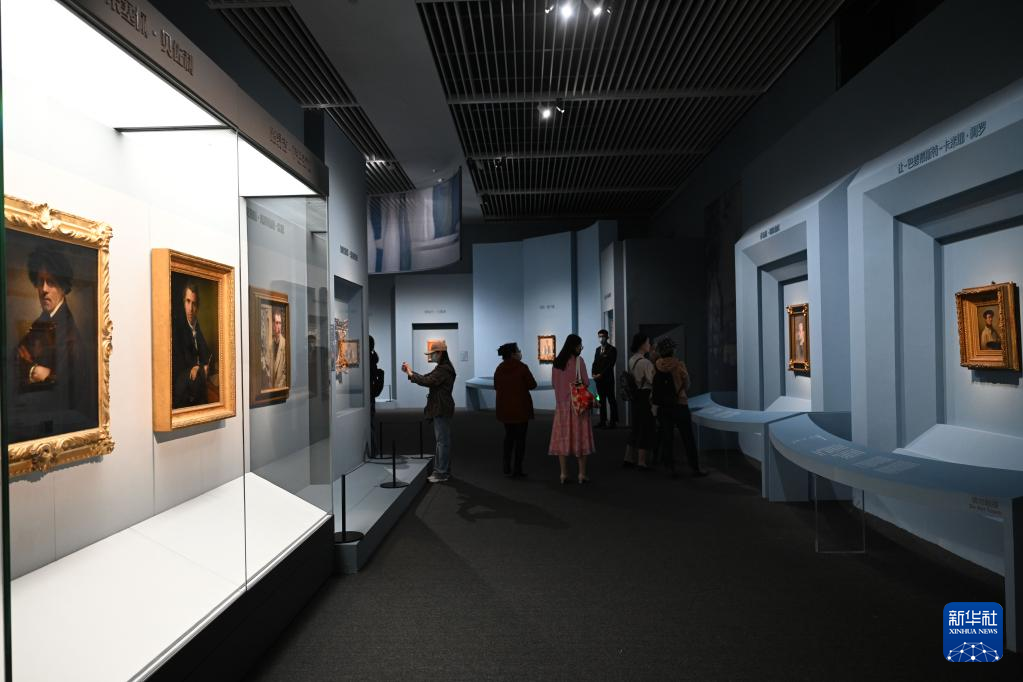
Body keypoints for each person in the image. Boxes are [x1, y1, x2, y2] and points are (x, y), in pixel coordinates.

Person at [11, 244, 96, 442]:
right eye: (40, 282)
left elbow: (59, 387)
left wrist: (32, 369)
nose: (44, 289)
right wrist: (35, 370)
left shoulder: (68, 333)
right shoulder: (43, 321)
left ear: (63, 287)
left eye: (51, 282)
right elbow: (15, 357)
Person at [402, 341, 456, 482]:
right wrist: (410, 372)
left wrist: (410, 373)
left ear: (440, 353)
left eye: (433, 354)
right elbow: (426, 378)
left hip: (441, 407)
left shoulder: (444, 370)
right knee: (442, 441)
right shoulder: (442, 368)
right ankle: (443, 471)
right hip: (441, 407)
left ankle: (441, 473)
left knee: (442, 442)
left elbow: (427, 381)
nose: (431, 356)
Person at [652, 337, 706, 478]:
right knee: (688, 437)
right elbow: (687, 384)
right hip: (680, 404)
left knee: (667, 437)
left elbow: (653, 385)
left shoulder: (657, 365)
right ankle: (695, 467)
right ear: (673, 350)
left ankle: (670, 468)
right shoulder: (679, 364)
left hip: (663, 407)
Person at [549, 334, 595, 484]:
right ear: (575, 346)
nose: (581, 348)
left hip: (561, 407)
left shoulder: (557, 362)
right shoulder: (578, 361)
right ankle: (581, 474)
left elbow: (554, 383)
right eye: (579, 345)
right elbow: (586, 381)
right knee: (581, 439)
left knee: (562, 439)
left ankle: (563, 474)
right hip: (577, 406)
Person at [494, 342, 537, 477]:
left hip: (505, 409)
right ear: (513, 354)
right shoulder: (522, 367)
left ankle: (506, 464)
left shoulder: (499, 368)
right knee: (520, 440)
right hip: (521, 409)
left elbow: (496, 386)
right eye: (518, 350)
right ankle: (517, 469)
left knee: (509, 437)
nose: (520, 353)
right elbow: (532, 384)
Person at [173, 280, 214, 408]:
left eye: (194, 304)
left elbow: (207, 356)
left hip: (197, 387)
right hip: (184, 393)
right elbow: (184, 370)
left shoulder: (196, 326)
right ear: (183, 302)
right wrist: (201, 368)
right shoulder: (177, 328)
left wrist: (200, 367)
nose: (191, 309)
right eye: (188, 301)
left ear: (198, 307)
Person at [623, 333, 655, 470]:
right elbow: (652, 380)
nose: (649, 345)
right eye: (648, 342)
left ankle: (628, 457)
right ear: (642, 344)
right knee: (646, 427)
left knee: (636, 427)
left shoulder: (632, 360)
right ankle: (641, 461)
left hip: (635, 395)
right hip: (645, 396)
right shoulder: (646, 363)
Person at [591, 329, 618, 429]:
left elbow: (610, 365)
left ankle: (613, 422)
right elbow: (595, 363)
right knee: (601, 400)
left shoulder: (612, 349)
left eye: (602, 336)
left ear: (607, 337)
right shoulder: (598, 349)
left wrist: (601, 374)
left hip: (608, 380)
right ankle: (602, 421)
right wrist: (593, 373)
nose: (601, 338)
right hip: (599, 381)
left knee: (611, 400)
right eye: (599, 336)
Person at [263, 308, 287, 389]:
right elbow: (268, 368)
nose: (279, 326)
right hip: (271, 388)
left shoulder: (285, 344)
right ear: (273, 324)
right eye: (277, 323)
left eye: (280, 323)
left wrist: (279, 387)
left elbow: (285, 372)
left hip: (280, 388)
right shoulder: (270, 345)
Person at [369, 335, 383, 457]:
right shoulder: (372, 359)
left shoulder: (371, 359)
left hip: (369, 396)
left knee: (370, 425)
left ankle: (373, 451)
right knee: (371, 424)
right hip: (370, 396)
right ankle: (373, 450)